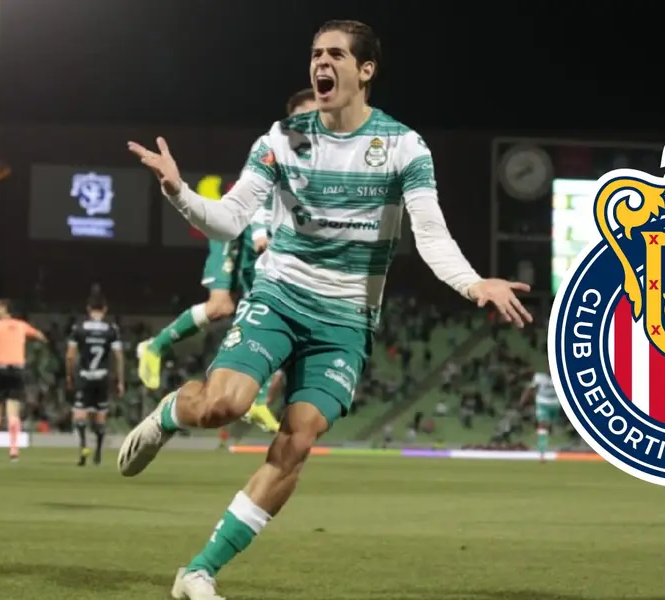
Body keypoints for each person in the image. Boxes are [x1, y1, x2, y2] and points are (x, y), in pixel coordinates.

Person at [122, 20, 531, 599]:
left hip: (345, 321)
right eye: (316, 53)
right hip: (281, 297)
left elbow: (431, 235)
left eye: (336, 54)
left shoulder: (403, 146)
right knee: (222, 406)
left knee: (298, 440)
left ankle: (199, 571)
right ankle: (171, 411)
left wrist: (473, 284)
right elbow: (231, 219)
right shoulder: (283, 138)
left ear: (365, 70)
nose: (322, 62)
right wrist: (178, 191)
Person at [136, 89, 319, 436]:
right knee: (220, 305)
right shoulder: (278, 146)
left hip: (268, 249)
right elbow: (258, 194)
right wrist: (261, 232)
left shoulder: (322, 161)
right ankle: (154, 346)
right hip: (241, 231)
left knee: (285, 318)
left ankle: (259, 400)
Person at [0, 299, 47, 462]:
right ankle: (14, 452)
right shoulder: (21, 325)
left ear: (3, 309)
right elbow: (40, 336)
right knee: (13, 412)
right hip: (17, 371)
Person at [65, 294, 124, 467]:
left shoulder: (79, 328)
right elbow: (119, 357)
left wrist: (69, 376)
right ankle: (98, 452)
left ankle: (84, 448)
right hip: (102, 377)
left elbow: (70, 356)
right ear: (105, 309)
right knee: (100, 415)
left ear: (88, 309)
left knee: (80, 413)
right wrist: (120, 381)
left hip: (85, 376)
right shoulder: (111, 329)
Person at [521, 366, 558, 462]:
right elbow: (530, 388)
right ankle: (542, 452)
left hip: (555, 405)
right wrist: (523, 400)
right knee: (542, 425)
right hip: (542, 404)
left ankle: (548, 430)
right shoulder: (539, 377)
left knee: (548, 427)